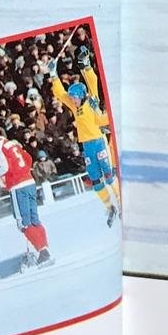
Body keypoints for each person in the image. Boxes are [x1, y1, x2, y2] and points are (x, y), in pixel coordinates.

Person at [45, 46, 120, 226]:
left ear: (80, 95)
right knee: (95, 180)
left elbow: (93, 81)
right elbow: (60, 94)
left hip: (99, 141)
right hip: (87, 145)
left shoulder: (91, 100)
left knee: (109, 176)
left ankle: (121, 200)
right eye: (72, 98)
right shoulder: (75, 106)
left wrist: (86, 65)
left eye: (74, 97)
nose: (72, 100)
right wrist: (53, 74)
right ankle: (109, 206)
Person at [0, 125, 52, 269]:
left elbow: (5, 168)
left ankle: (43, 252)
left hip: (18, 186)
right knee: (34, 220)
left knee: (23, 223)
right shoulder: (11, 143)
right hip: (29, 182)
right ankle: (44, 248)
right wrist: (22, 171)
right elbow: (28, 158)